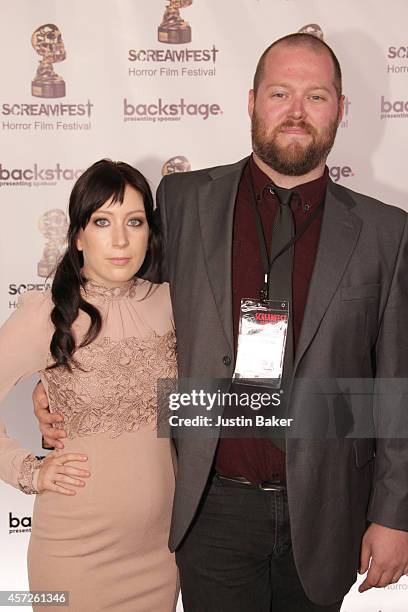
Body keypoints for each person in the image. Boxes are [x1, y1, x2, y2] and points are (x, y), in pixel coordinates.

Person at [35, 33, 408, 611]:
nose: (296, 112)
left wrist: (393, 515)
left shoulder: (387, 232)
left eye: (316, 97)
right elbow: (123, 306)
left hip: (329, 508)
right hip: (210, 506)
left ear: (342, 109)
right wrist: (57, 380)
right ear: (252, 99)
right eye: (280, 93)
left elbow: (395, 387)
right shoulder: (183, 201)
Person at [0, 160, 178, 611]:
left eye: (134, 222)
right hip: (74, 553)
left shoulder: (173, 302)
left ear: (149, 232)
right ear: (79, 236)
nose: (120, 239)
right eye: (102, 221)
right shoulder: (46, 314)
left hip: (161, 554)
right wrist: (28, 469)